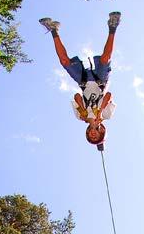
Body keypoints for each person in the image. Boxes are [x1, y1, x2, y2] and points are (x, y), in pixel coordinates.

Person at [39, 12, 121, 150]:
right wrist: (99, 112)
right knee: (105, 59)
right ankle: (113, 26)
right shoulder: (107, 115)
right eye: (96, 136)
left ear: (88, 132)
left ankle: (53, 30)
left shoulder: (80, 117)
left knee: (64, 62)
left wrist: (83, 110)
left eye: (91, 136)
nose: (93, 134)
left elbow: (77, 96)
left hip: (83, 82)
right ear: (101, 132)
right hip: (100, 81)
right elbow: (109, 95)